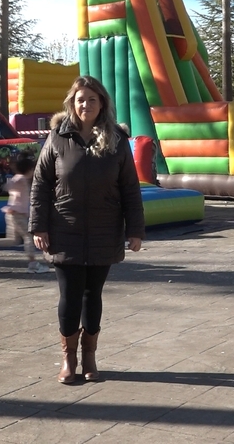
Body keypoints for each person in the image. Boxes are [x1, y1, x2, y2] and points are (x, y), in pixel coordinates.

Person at [30, 75, 145, 384]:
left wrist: (135, 230)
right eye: (81, 99)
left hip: (104, 230)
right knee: (69, 296)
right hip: (63, 229)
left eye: (92, 99)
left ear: (102, 103)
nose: (86, 105)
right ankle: (68, 358)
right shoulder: (57, 137)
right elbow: (40, 185)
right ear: (72, 103)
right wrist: (38, 226)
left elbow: (130, 188)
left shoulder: (117, 140)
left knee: (93, 295)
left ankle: (89, 356)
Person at [0, 152, 50, 273]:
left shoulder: (19, 178)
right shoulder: (21, 178)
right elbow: (9, 185)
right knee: (28, 237)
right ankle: (33, 264)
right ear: (29, 170)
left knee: (13, 240)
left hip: (12, 213)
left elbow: (9, 186)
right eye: (32, 169)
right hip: (17, 214)